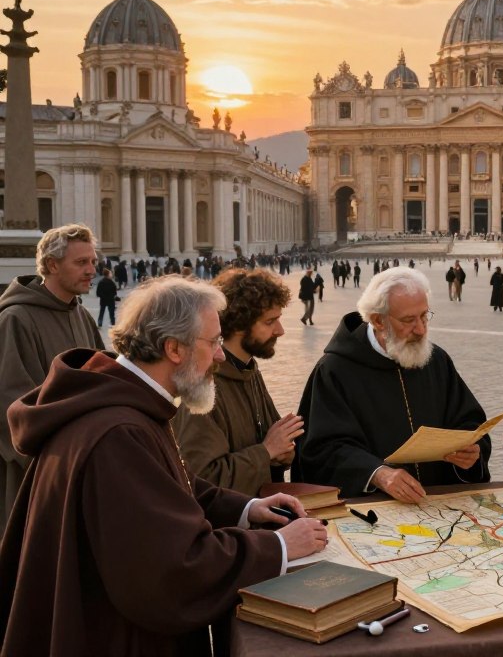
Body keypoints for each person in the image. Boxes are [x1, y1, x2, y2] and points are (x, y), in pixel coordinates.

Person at [0, 276, 328, 656]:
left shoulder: (126, 403)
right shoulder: (118, 432)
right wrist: (277, 547)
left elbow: (167, 488)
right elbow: (172, 571)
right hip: (112, 637)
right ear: (173, 348)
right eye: (214, 342)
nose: (221, 356)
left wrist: (245, 508)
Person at [293, 267, 491, 501]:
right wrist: (377, 474)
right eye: (409, 320)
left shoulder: (436, 360)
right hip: (374, 512)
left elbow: (469, 421)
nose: (421, 329)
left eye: (424, 316)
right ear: (378, 320)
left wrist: (471, 450)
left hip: (438, 507)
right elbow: (321, 450)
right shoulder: (334, 371)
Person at [0, 223, 105, 532]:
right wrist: (59, 458)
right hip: (38, 470)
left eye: (92, 262)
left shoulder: (81, 315)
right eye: (81, 262)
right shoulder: (15, 319)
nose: (91, 270)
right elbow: (11, 402)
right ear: (51, 265)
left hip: (81, 464)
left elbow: (104, 382)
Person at [173, 269, 304, 495]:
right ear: (240, 324)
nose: (280, 331)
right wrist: (266, 451)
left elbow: (270, 445)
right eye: (270, 321)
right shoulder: (202, 387)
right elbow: (201, 481)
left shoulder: (249, 370)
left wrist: (283, 454)